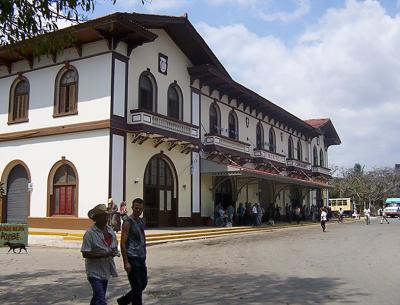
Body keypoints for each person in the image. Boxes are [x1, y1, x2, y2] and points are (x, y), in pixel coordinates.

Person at [81, 204, 119, 305]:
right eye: (103, 216)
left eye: (106, 216)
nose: (106, 218)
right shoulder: (90, 234)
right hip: (94, 272)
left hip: (105, 270)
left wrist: (114, 251)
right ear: (96, 218)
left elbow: (115, 244)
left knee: (97, 297)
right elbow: (85, 253)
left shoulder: (110, 230)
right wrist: (104, 254)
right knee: (101, 299)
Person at [118, 198, 147, 305]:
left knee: (143, 283)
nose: (138, 210)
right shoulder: (127, 222)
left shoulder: (141, 221)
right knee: (137, 287)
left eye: (140, 209)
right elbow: (122, 243)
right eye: (136, 208)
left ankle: (124, 300)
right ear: (132, 208)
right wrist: (126, 262)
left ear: (143, 209)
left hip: (141, 258)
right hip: (132, 258)